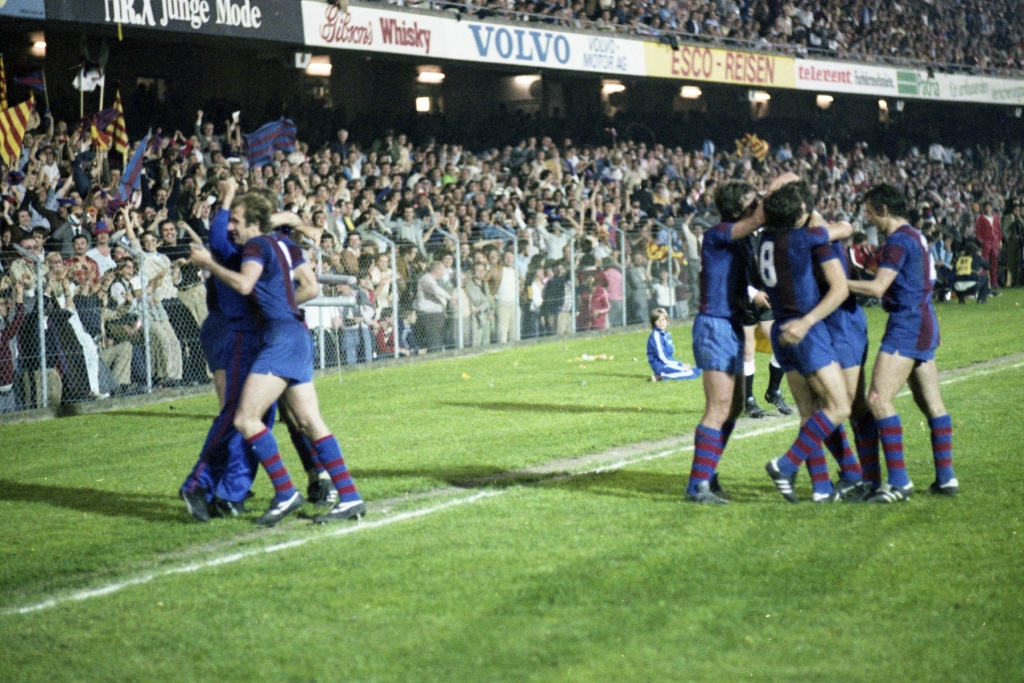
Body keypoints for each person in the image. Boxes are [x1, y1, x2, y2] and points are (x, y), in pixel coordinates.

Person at [190, 192, 367, 525]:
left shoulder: (257, 245)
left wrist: (210, 265)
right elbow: (304, 288)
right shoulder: (281, 245)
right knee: (308, 422)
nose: (232, 228)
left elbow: (244, 285)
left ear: (255, 223)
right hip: (296, 335)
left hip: (281, 341)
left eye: (237, 221)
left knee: (245, 419)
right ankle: (349, 497)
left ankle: (286, 491)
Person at [847, 183, 958, 502]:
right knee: (931, 404)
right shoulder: (913, 235)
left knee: (878, 399)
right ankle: (946, 479)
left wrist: (841, 283)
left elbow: (879, 287)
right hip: (925, 320)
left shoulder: (897, 240)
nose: (867, 218)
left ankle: (898, 482)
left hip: (907, 323)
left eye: (869, 211)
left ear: (883, 209)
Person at [757, 182, 853, 503]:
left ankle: (822, 489)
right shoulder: (801, 239)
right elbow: (842, 228)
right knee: (839, 406)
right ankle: (785, 464)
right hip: (804, 329)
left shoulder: (765, 239)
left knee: (809, 414)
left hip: (780, 330)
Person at [684, 180, 766, 505]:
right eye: (751, 198)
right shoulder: (718, 232)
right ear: (735, 208)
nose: (757, 202)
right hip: (715, 324)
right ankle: (696, 487)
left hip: (731, 325)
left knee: (732, 407)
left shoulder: (744, 239)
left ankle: (709, 474)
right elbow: (759, 218)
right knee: (717, 408)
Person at [647, 308, 701, 381]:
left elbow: (669, 356)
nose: (661, 322)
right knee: (690, 374)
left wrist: (680, 364)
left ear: (667, 321)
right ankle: (661, 376)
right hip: (662, 366)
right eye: (658, 320)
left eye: (663, 319)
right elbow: (663, 358)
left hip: (669, 363)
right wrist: (681, 365)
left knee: (698, 371)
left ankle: (664, 375)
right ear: (654, 323)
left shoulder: (665, 334)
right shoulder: (656, 336)